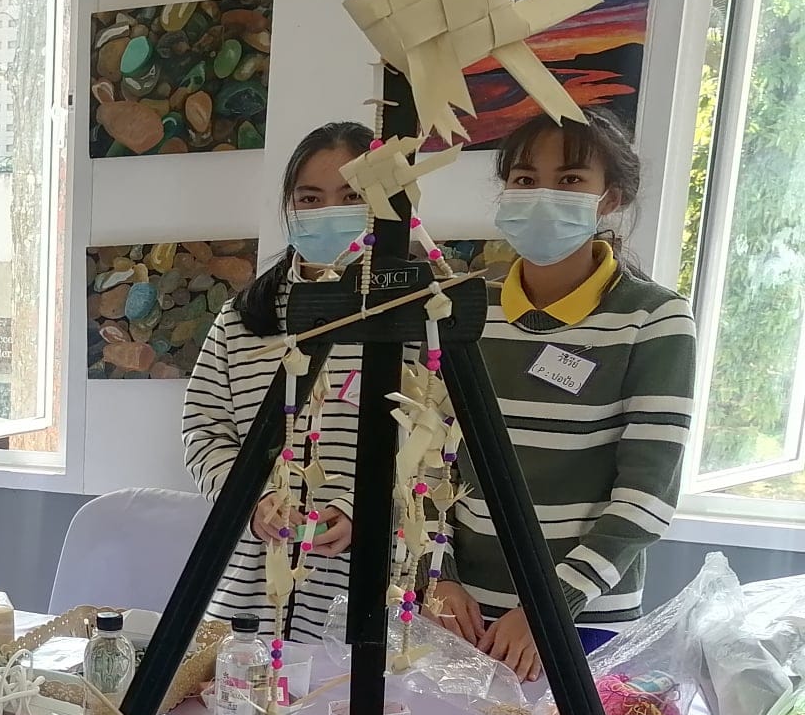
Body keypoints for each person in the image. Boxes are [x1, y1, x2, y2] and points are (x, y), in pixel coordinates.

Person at [429, 109, 695, 682]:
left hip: (583, 617)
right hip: (462, 613)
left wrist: (550, 608)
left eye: (570, 179)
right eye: (525, 179)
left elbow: (647, 495)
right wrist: (437, 575)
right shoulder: (464, 308)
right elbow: (429, 462)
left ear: (610, 198)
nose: (543, 195)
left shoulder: (654, 317)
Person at [182, 122, 375, 643]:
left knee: (340, 691)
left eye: (351, 197)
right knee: (241, 685)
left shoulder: (407, 319)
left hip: (359, 582)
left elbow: (427, 447)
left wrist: (359, 507)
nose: (328, 212)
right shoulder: (242, 319)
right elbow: (205, 432)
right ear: (289, 207)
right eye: (310, 198)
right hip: (247, 584)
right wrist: (252, 499)